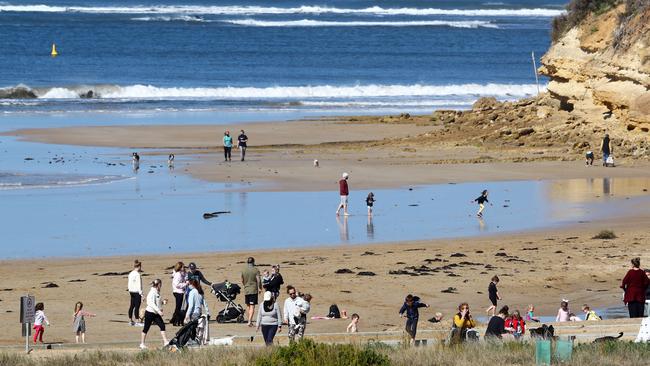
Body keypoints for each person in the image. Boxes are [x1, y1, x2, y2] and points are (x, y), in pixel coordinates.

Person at [140, 279, 168, 349]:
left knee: (162, 326)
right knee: (146, 328)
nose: (161, 286)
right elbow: (150, 303)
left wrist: (163, 303)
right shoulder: (152, 292)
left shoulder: (157, 292)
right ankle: (142, 344)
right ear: (158, 285)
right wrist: (159, 311)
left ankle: (165, 342)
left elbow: (157, 302)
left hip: (155, 313)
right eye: (160, 285)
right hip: (149, 313)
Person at [241, 257, 262, 326]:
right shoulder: (256, 270)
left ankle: (249, 320)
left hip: (246, 289)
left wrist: (245, 285)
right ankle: (249, 321)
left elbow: (242, 280)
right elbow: (258, 280)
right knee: (252, 306)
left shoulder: (244, 270)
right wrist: (260, 288)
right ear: (253, 262)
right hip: (253, 289)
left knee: (248, 305)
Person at [170, 262, 187, 326]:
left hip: (179, 291)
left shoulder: (180, 273)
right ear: (180, 267)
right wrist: (185, 284)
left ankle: (174, 320)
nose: (184, 268)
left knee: (178, 307)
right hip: (178, 292)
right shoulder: (178, 274)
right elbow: (177, 284)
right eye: (183, 267)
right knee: (178, 308)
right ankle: (176, 321)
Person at [128, 260, 143, 326]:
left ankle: (130, 320)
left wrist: (129, 289)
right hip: (137, 292)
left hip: (131, 291)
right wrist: (141, 294)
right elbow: (139, 285)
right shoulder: (137, 274)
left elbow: (129, 283)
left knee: (132, 306)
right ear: (139, 266)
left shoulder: (130, 273)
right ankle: (137, 321)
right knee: (137, 306)